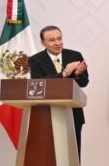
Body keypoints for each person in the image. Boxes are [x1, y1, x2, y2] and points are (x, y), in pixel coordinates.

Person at [29, 26, 89, 157]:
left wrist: (77, 74)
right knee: (49, 154)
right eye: (52, 40)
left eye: (59, 39)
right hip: (46, 114)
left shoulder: (75, 55)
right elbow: (38, 83)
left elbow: (84, 83)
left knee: (73, 154)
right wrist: (64, 74)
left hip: (73, 113)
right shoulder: (35, 60)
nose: (57, 43)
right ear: (43, 43)